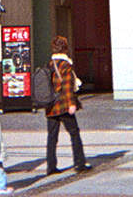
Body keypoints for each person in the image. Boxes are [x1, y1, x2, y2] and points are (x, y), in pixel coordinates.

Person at [46, 35, 90, 174]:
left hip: (50, 105)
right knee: (74, 133)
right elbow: (67, 87)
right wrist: (72, 104)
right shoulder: (66, 65)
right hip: (63, 104)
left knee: (52, 137)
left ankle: (51, 167)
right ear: (65, 48)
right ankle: (80, 163)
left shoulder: (50, 64)